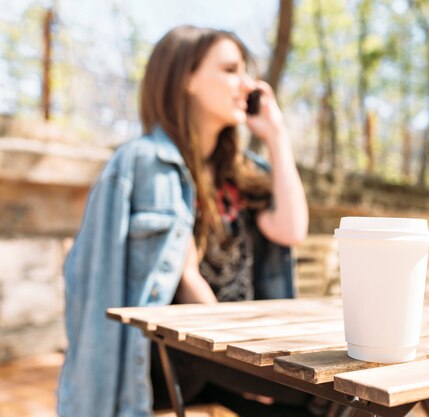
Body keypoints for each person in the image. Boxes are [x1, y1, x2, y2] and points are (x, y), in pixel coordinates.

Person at [57, 25, 310, 417]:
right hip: (168, 359)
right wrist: (242, 358)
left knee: (332, 401)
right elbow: (121, 283)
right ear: (186, 78)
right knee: (318, 389)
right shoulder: (142, 164)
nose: (246, 84)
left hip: (234, 351)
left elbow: (292, 229)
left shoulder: (244, 172)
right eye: (230, 69)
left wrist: (276, 136)